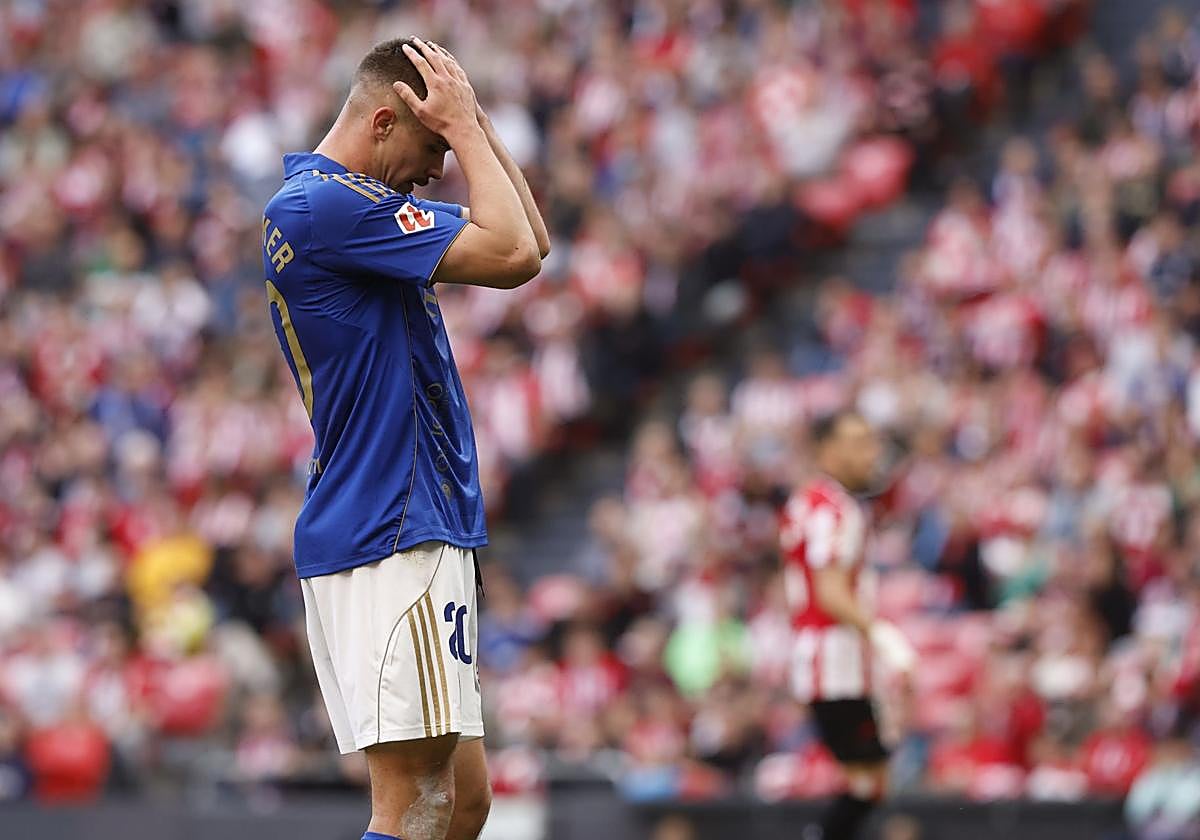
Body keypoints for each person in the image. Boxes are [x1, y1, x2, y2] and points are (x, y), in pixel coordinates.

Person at [260, 36, 549, 840]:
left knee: (463, 804)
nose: (438, 168)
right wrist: (464, 130)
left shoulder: (350, 209)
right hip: (392, 523)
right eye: (432, 147)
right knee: (414, 806)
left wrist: (472, 122)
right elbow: (515, 253)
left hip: (403, 520)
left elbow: (532, 235)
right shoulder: (327, 206)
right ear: (384, 119)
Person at [778, 410, 916, 840]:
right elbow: (830, 591)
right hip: (838, 663)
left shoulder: (805, 501)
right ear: (828, 449)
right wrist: (881, 633)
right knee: (869, 779)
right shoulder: (835, 510)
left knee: (869, 780)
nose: (870, 452)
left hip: (820, 657)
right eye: (858, 442)